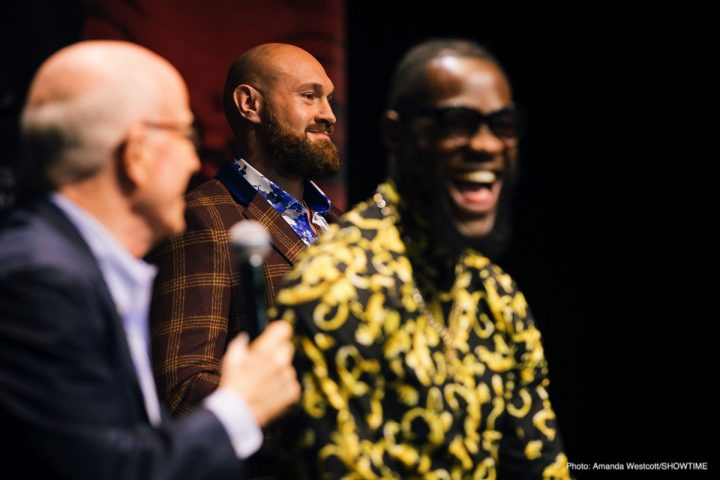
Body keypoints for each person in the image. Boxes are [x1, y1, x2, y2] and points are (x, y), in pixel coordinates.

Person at [0, 40, 300, 479]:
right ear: (136, 155)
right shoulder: (42, 281)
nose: (194, 160)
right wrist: (243, 406)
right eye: (185, 136)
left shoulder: (76, 265)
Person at [271, 39, 570, 478]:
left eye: (502, 125)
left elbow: (540, 466)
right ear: (396, 134)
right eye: (458, 123)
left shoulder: (496, 295)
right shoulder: (335, 289)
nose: (486, 145)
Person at [147, 42, 342, 476]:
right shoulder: (203, 217)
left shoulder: (342, 225)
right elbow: (181, 389)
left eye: (328, 98)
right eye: (310, 96)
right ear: (250, 104)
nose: (328, 113)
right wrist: (327, 428)